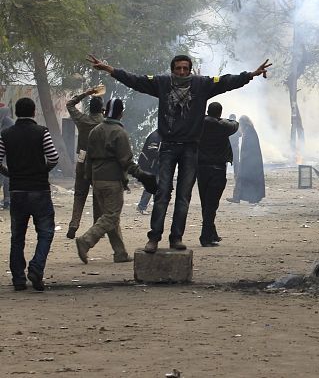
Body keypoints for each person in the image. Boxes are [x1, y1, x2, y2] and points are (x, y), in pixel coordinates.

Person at [87, 53, 271, 253]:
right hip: (168, 146)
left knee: (183, 196)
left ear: (190, 69)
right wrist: (109, 69)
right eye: (178, 68)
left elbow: (227, 81)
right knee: (162, 193)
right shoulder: (162, 84)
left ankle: (176, 238)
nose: (182, 72)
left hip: (190, 148)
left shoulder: (201, 85)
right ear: (172, 70)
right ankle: (154, 238)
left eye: (185, 68)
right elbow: (136, 80)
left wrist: (251, 74)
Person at [76, 99, 156, 264]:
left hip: (97, 180)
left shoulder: (95, 131)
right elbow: (126, 161)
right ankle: (86, 240)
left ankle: (120, 253)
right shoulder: (120, 133)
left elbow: (88, 158)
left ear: (105, 112)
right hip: (112, 180)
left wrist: (89, 177)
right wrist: (142, 176)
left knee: (111, 216)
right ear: (121, 113)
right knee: (112, 216)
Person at [0, 98, 59, 291]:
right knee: (45, 232)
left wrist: (9, 172)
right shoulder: (42, 132)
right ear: (34, 112)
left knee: (17, 236)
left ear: (16, 113)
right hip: (40, 190)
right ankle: (36, 267)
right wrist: (43, 170)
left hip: (17, 190)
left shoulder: (6, 134)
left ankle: (18, 278)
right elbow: (54, 157)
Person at [65, 88, 104, 239]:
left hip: (82, 159)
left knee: (79, 194)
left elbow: (69, 105)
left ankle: (74, 224)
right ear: (101, 109)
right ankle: (96, 227)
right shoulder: (104, 122)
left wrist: (86, 93)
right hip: (98, 163)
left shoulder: (82, 120)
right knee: (97, 196)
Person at [197, 103, 238, 246]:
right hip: (217, 170)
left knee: (206, 203)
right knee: (212, 204)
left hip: (201, 169)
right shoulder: (223, 127)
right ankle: (205, 237)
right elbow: (235, 124)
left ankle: (211, 233)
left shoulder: (199, 124)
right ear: (220, 113)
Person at [229, 115, 265, 204]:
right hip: (250, 160)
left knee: (243, 178)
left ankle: (239, 198)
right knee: (245, 179)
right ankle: (240, 197)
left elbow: (249, 148)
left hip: (250, 161)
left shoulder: (249, 131)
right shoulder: (249, 130)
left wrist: (244, 159)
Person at [135, 129, 162, 214]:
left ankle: (157, 207)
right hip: (149, 165)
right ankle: (142, 206)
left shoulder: (159, 135)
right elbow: (152, 151)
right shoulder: (155, 136)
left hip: (155, 165)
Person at [0, 103, 14, 210]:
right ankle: (7, 201)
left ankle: (7, 201)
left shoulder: (7, 122)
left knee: (4, 177)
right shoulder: (8, 120)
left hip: (5, 153)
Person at [228, 113, 242, 201]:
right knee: (233, 162)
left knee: (236, 163)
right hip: (230, 147)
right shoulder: (233, 126)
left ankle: (236, 174)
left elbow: (240, 134)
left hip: (233, 147)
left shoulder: (235, 126)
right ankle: (236, 174)